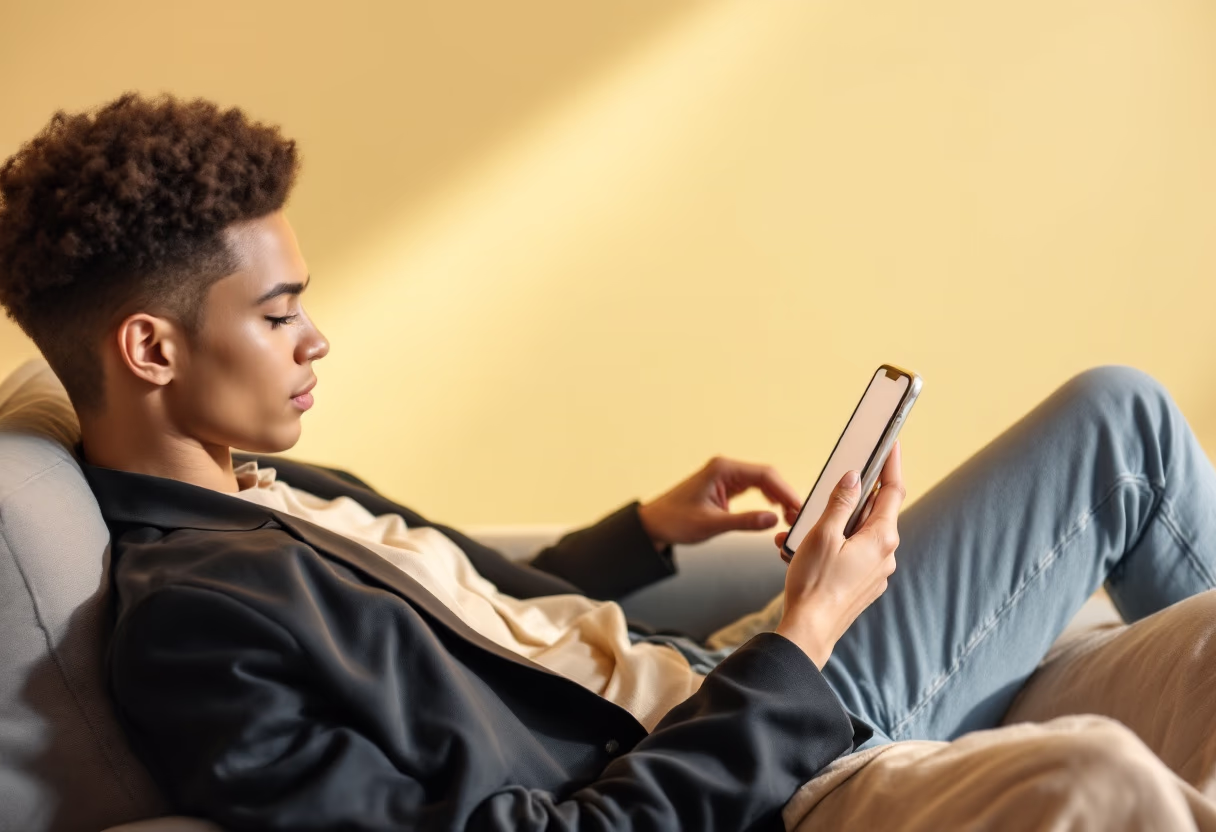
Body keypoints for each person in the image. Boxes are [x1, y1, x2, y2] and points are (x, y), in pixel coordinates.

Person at [1, 92, 1213, 831]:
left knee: (1121, 425)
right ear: (151, 347)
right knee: (1101, 771)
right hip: (761, 761)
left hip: (719, 675)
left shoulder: (275, 483)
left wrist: (648, 529)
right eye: (277, 316)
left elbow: (472, 605)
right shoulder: (196, 632)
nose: (316, 339)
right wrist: (802, 640)